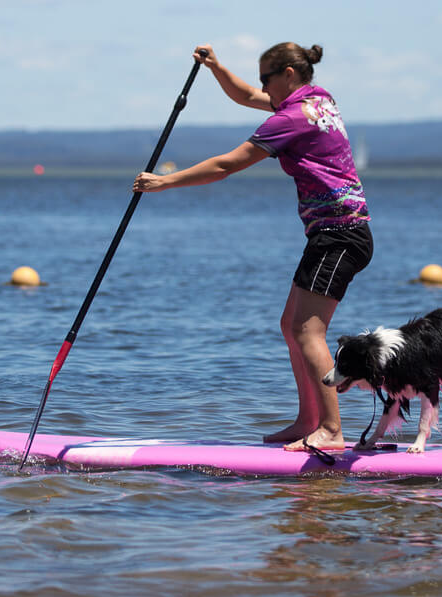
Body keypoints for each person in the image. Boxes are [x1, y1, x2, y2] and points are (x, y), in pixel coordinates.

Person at [133, 42, 373, 454]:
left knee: (308, 330)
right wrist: (216, 68)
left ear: (289, 76)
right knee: (290, 325)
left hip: (340, 234)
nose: (262, 87)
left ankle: (332, 430)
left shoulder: (292, 118)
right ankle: (308, 420)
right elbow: (246, 96)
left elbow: (227, 165)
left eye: (267, 78)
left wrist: (163, 181)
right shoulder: (319, 101)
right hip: (333, 233)